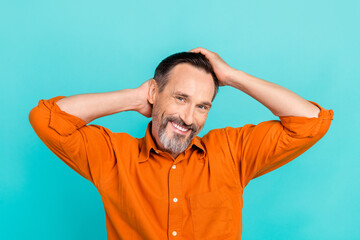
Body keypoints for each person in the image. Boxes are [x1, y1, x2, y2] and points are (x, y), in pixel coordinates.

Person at [28, 47, 334, 240]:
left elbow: (311, 122)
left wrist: (233, 76)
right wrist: (135, 98)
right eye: (180, 98)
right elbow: (47, 119)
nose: (188, 117)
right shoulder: (113, 157)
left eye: (202, 106)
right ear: (154, 93)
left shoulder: (231, 151)